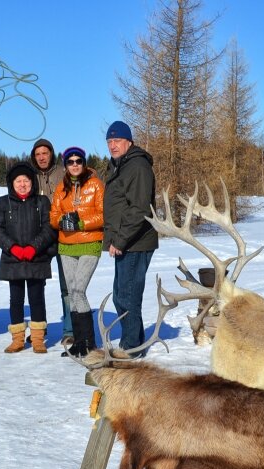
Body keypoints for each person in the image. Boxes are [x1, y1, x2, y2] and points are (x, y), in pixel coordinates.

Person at [0, 162, 58, 354]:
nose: (22, 184)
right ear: (12, 184)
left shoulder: (41, 202)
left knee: (37, 298)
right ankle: (17, 339)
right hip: (13, 260)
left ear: (32, 182)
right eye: (18, 181)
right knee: (16, 300)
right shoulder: (3, 202)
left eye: (26, 180)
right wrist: (13, 247)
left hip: (36, 258)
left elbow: (49, 228)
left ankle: (37, 339)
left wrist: (33, 247)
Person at [103, 120, 158, 355]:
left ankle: (131, 348)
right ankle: (135, 344)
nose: (113, 146)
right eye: (109, 142)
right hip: (127, 240)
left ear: (129, 142)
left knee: (127, 296)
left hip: (135, 241)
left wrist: (120, 240)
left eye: (117, 141)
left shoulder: (137, 166)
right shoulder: (121, 166)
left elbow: (139, 209)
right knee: (123, 295)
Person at [49, 146, 104, 357]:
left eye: (78, 161)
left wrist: (81, 223)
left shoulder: (96, 185)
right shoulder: (61, 188)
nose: (74, 165)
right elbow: (53, 215)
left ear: (84, 163)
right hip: (66, 245)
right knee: (72, 292)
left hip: (90, 244)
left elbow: (103, 214)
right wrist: (62, 221)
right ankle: (78, 343)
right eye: (70, 162)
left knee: (79, 290)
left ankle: (90, 343)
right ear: (65, 165)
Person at [31, 138, 72, 346]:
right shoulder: (30, 176)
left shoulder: (63, 174)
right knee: (37, 284)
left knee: (67, 286)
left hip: (63, 235)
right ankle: (39, 327)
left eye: (45, 153)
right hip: (40, 238)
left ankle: (69, 329)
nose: (41, 157)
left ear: (51, 154)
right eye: (38, 154)